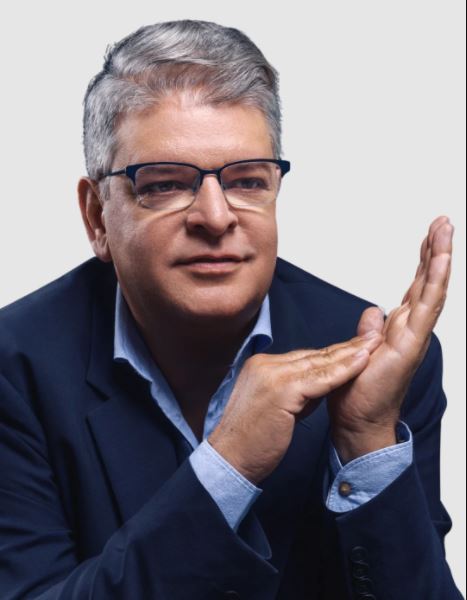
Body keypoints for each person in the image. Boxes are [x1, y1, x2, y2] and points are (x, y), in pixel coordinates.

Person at [0, 19, 462, 599]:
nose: (216, 217)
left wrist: (366, 438)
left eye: (246, 181)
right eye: (164, 184)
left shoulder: (381, 362)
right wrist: (228, 465)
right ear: (97, 217)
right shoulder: (14, 368)